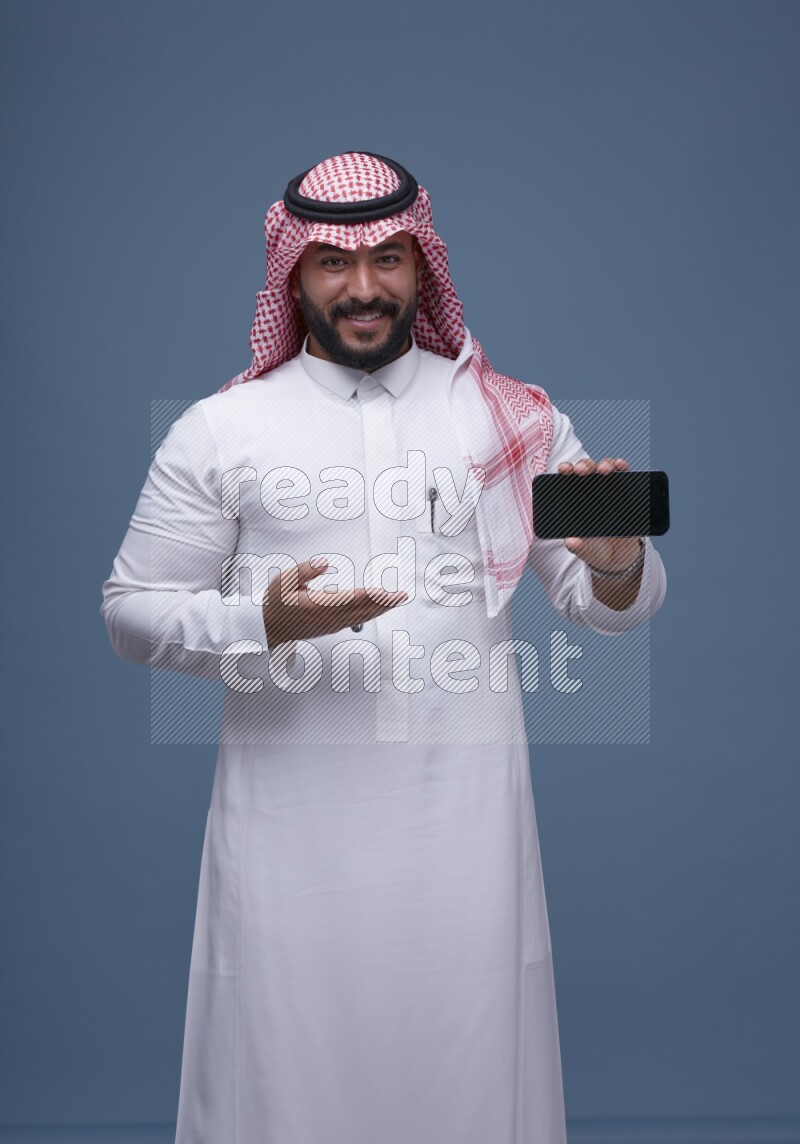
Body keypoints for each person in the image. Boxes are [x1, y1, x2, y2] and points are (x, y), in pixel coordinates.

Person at [101, 151, 666, 1144]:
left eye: (388, 260)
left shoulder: (510, 417)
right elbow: (130, 612)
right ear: (292, 276)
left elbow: (607, 602)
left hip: (466, 838)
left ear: (421, 266)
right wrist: (260, 625)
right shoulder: (219, 431)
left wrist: (617, 560)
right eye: (331, 263)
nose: (362, 288)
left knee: (468, 1075)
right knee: (285, 1078)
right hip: (287, 838)